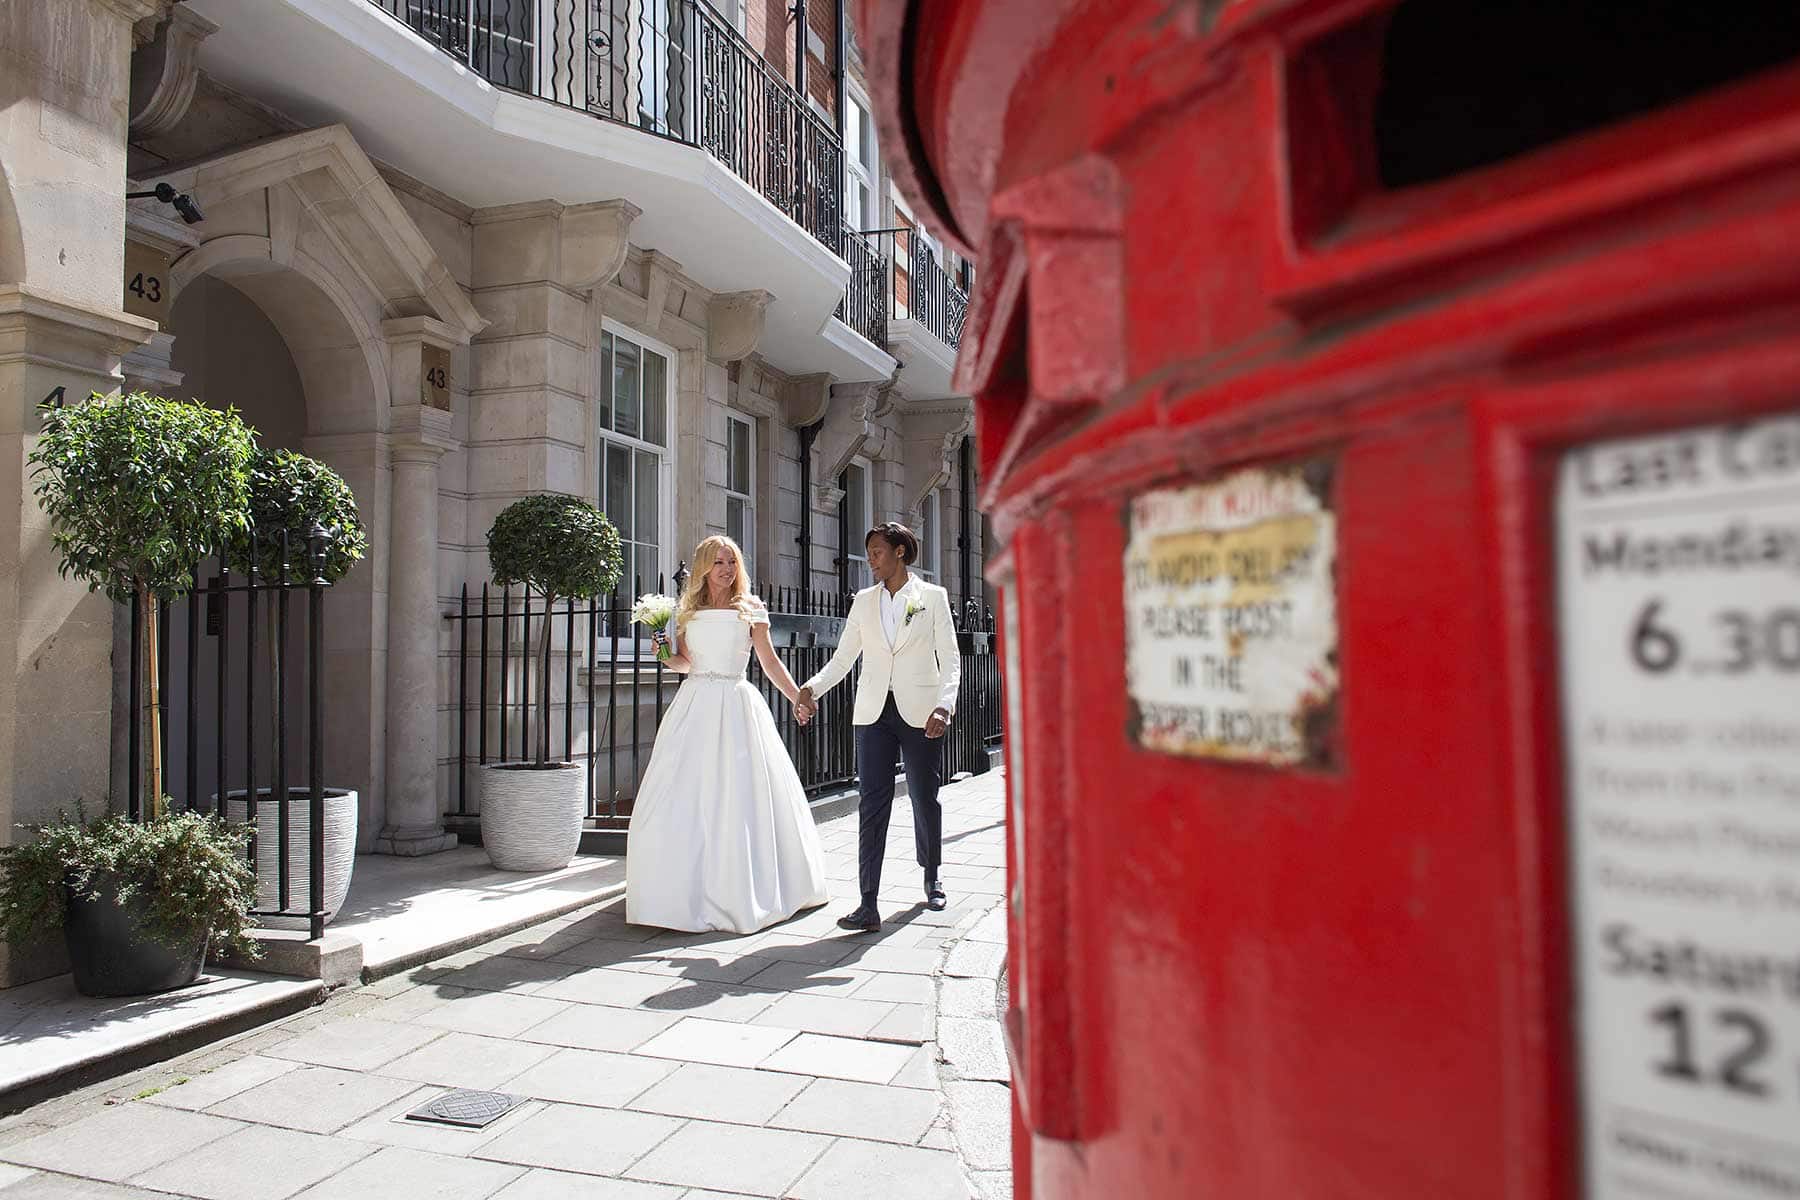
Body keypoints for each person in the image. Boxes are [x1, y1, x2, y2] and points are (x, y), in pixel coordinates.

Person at [625, 536, 830, 934]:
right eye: (718, 562)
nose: (726, 569)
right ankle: (678, 892)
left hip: (736, 704)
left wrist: (798, 696)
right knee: (682, 795)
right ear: (703, 567)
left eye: (732, 562)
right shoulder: (687, 612)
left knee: (737, 797)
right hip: (695, 704)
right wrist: (663, 652)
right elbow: (684, 664)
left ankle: (743, 890)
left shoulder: (751, 609)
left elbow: (769, 662)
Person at [796, 522, 960, 931]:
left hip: (921, 711)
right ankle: (868, 903)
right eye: (869, 553)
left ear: (900, 552)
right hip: (872, 713)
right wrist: (812, 688)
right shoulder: (863, 602)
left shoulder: (932, 598)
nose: (871, 560)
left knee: (925, 796)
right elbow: (844, 658)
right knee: (872, 803)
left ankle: (931, 874)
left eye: (877, 552)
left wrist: (944, 706)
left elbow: (951, 659)